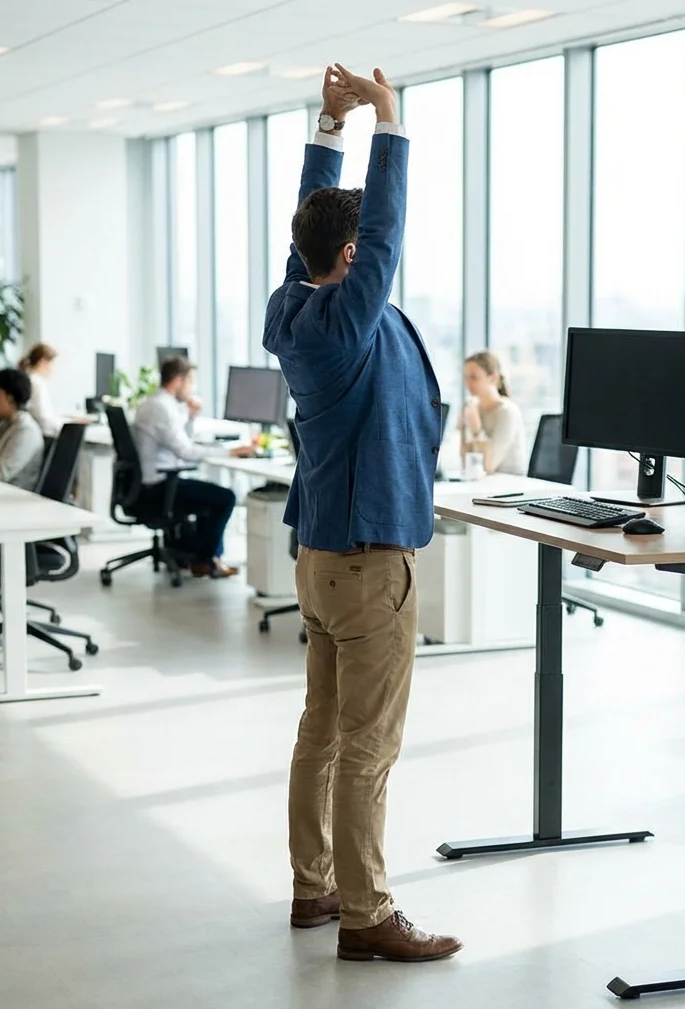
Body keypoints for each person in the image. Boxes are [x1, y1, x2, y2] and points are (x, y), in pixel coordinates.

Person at [263, 65, 460, 963]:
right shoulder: (346, 320)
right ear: (351, 261)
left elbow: (315, 228)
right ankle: (366, 913)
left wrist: (327, 128)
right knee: (367, 746)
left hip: (321, 557)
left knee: (322, 731)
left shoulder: (293, 308)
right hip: (370, 563)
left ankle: (315, 889)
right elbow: (381, 228)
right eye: (363, 255)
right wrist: (388, 120)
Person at [132, 356, 251, 579]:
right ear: (178, 380)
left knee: (209, 494)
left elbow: (181, 443)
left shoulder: (155, 404)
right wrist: (231, 452)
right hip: (159, 487)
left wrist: (191, 418)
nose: (192, 388)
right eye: (191, 382)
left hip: (154, 482)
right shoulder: (161, 408)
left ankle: (200, 558)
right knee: (225, 497)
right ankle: (206, 560)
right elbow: (186, 452)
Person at [459, 351, 527, 475]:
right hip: (483, 483)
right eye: (466, 377)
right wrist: (464, 428)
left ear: (493, 378)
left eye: (474, 377)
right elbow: (465, 462)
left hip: (509, 482)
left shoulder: (508, 412)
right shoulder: (472, 408)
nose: (468, 384)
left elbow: (488, 466)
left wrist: (476, 429)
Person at [0, 369, 45, 490]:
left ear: (11, 397)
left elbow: (0, 473)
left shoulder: (26, 430)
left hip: (11, 496)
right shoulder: (4, 425)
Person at [18, 343, 63, 438]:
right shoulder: (37, 383)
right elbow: (43, 417)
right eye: (52, 364)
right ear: (42, 362)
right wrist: (62, 427)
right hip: (42, 435)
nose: (53, 369)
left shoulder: (29, 379)